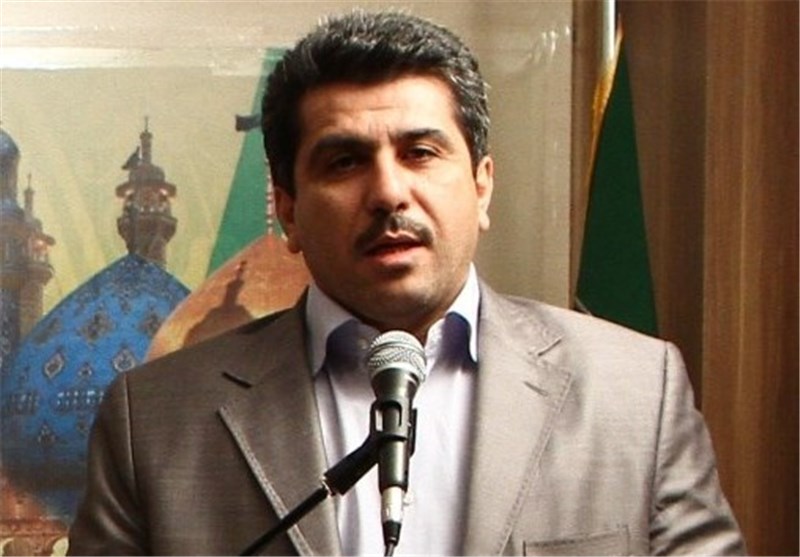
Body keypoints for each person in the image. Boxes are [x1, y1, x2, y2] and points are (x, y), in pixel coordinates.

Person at [67, 9, 746, 556]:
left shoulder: (634, 395)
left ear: (482, 186)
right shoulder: (153, 421)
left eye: (421, 152)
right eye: (344, 161)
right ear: (289, 211)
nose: (389, 191)